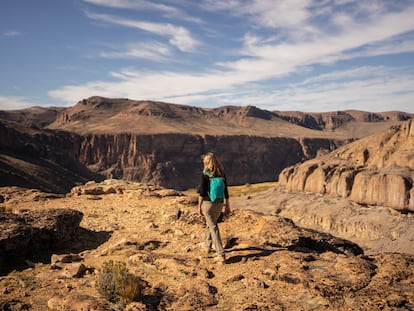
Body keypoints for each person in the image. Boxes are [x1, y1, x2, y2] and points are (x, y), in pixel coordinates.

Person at [198, 152, 230, 263]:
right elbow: (226, 191)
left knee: (213, 227)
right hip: (219, 203)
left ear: (206, 162)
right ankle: (207, 246)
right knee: (210, 223)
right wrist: (227, 205)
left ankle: (220, 254)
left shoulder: (205, 174)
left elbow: (202, 192)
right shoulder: (221, 173)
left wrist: (199, 206)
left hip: (208, 204)